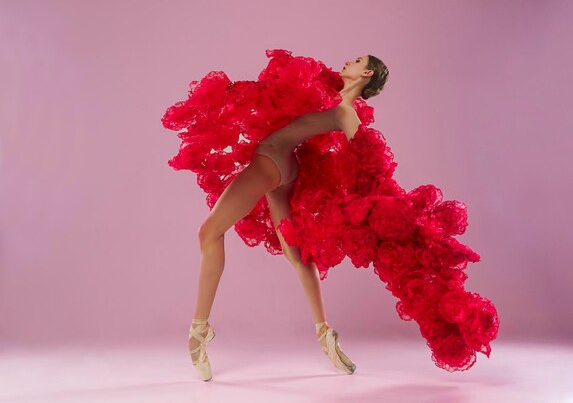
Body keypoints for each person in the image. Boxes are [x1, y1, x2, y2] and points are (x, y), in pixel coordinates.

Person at [163, 49, 498, 382]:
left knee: (208, 233)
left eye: (357, 62)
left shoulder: (346, 113)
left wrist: (387, 206)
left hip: (271, 163)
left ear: (366, 75)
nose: (348, 62)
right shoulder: (325, 90)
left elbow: (370, 163)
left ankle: (199, 329)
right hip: (286, 167)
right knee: (297, 255)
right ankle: (325, 334)